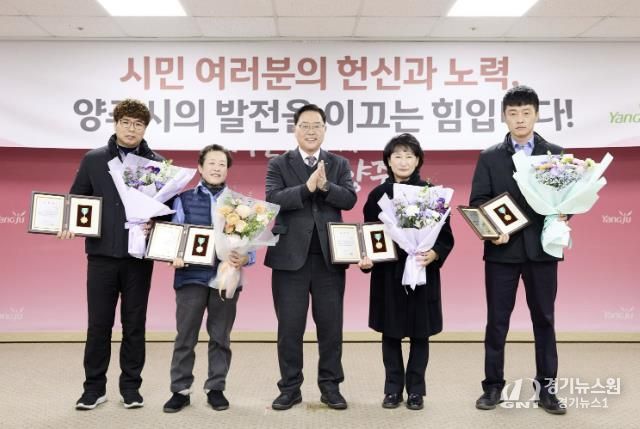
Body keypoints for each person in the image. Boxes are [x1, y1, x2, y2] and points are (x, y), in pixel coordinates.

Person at [470, 85, 568, 415]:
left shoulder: (555, 154)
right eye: (513, 113)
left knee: (545, 320)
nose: (520, 119)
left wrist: (566, 212)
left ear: (537, 115)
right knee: (497, 322)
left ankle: (547, 390)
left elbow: (568, 197)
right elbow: (478, 201)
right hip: (502, 252)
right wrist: (491, 231)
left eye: (526, 112)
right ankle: (492, 387)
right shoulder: (489, 157)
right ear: (504, 117)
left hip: (543, 250)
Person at [59, 99, 162, 410]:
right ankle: (94, 388)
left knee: (135, 325)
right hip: (101, 256)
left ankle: (131, 388)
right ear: (116, 124)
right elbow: (78, 198)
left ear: (145, 128)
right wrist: (70, 222)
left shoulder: (156, 164)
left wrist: (156, 225)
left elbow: (166, 210)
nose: (132, 129)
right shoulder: (94, 159)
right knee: (99, 325)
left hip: (138, 259)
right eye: (126, 122)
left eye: (138, 124)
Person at [265, 104, 357, 410]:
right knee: (289, 328)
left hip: (329, 258)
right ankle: (290, 388)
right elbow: (272, 200)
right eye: (305, 125)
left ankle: (330, 387)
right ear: (295, 129)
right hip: (289, 259)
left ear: (325, 129)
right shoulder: (279, 163)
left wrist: (326, 185)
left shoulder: (339, 163)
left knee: (330, 327)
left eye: (317, 125)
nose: (311, 131)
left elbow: (349, 198)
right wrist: (306, 188)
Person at [358, 133, 454, 410]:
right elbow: (370, 234)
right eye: (397, 156)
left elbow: (445, 236)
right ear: (388, 161)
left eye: (409, 156)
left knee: (420, 334)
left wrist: (435, 253)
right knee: (390, 333)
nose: (403, 161)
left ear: (418, 160)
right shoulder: (378, 195)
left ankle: (416, 391)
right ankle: (392, 390)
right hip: (388, 273)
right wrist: (367, 258)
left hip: (422, 270)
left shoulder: (431, 193)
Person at [162, 144, 255, 413]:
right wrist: (174, 254)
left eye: (222, 164)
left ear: (227, 170)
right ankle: (180, 390)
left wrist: (244, 258)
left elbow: (250, 246)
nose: (216, 168)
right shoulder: (182, 199)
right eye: (211, 163)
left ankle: (216, 388)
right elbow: (173, 235)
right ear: (200, 168)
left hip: (226, 278)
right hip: (190, 277)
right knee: (185, 336)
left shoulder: (241, 205)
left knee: (220, 337)